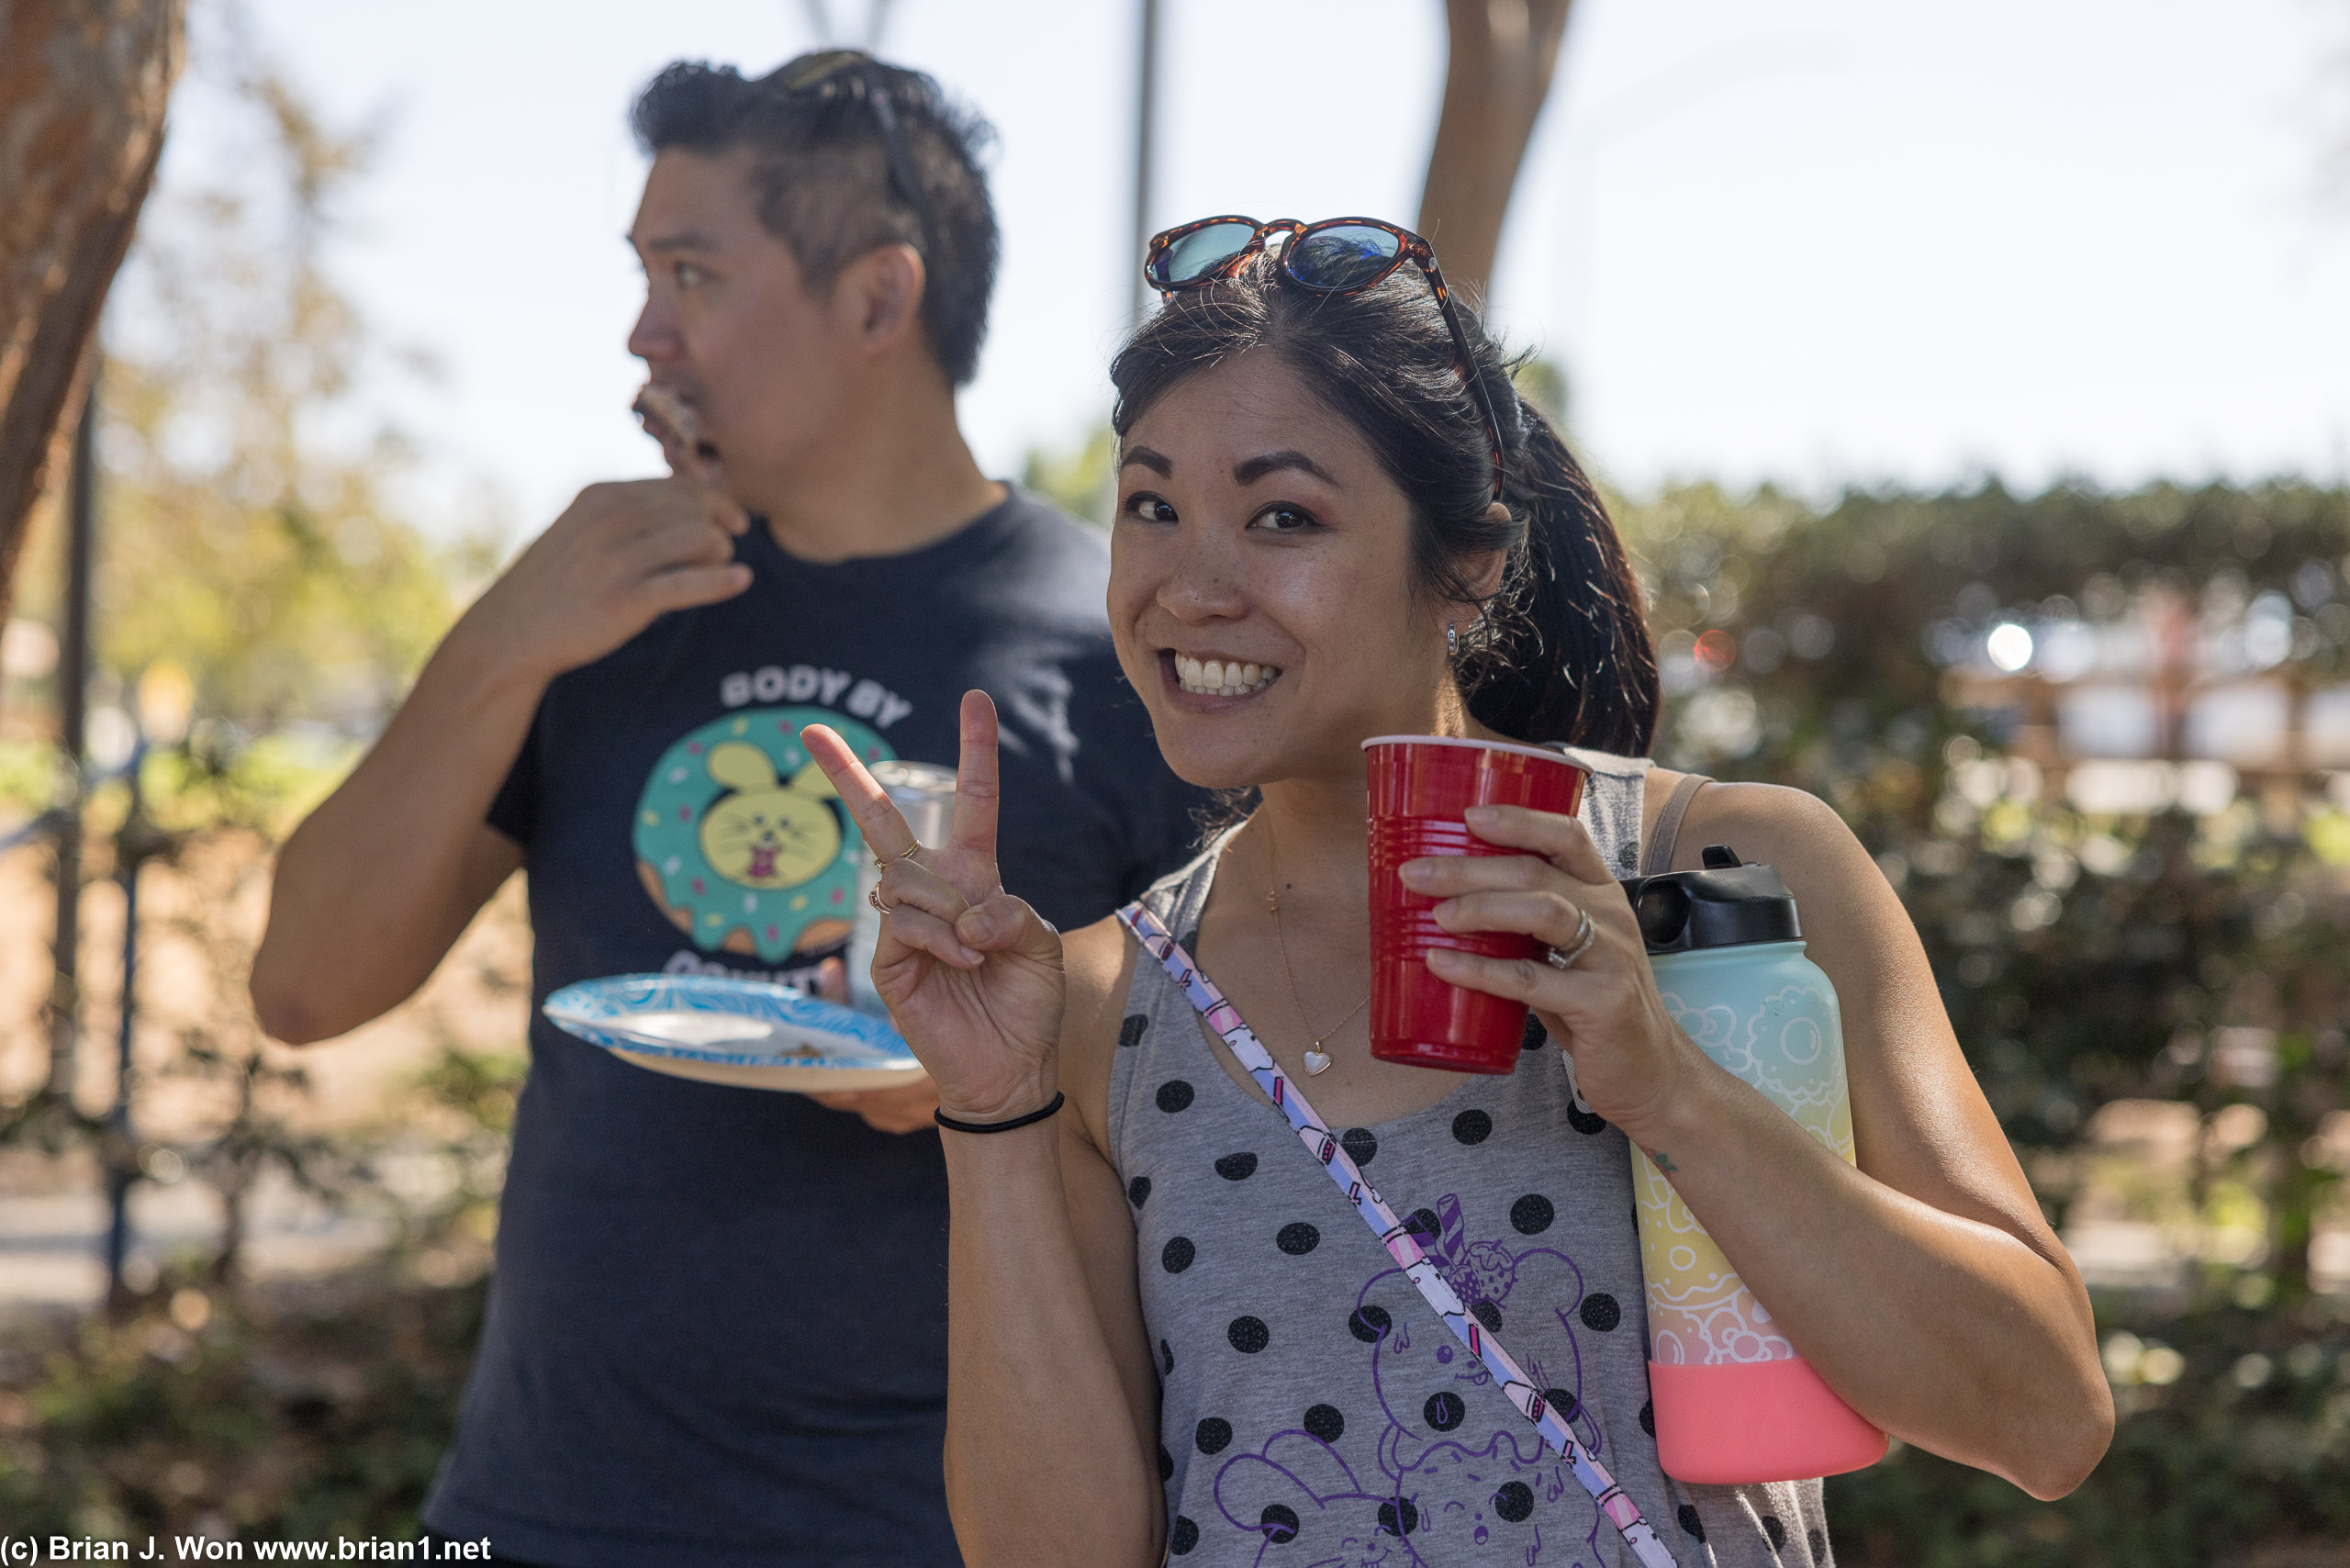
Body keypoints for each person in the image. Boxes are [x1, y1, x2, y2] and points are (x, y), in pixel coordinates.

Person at [800, 218, 2116, 1567]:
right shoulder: (1093, 1007)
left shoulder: (1729, 877)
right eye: (1152, 506)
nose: (1192, 587)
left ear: (1470, 559)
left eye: (1283, 517)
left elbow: (2047, 1419)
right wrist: (992, 1107)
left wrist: (1672, 1090)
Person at [249, 53, 1201, 1568]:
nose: (643, 331)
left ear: (881, 302)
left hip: (943, 1527)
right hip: (543, 1512)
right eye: (642, 273)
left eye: (691, 272)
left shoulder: (1113, 647)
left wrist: (1021, 1057)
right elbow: (302, 988)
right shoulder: (596, 610)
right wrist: (499, 639)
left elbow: (1254, 1082)